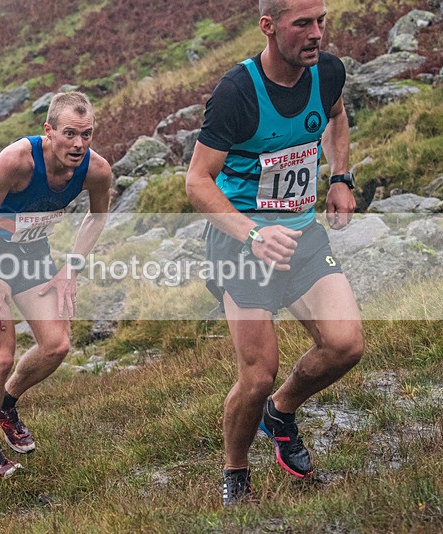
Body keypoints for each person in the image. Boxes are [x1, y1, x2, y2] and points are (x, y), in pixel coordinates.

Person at [185, 0, 364, 506]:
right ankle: (235, 474)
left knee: (345, 345)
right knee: (258, 374)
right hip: (241, 243)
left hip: (303, 235)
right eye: (302, 24)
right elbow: (197, 182)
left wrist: (341, 177)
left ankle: (280, 413)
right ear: (268, 26)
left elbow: (335, 116)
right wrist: (252, 235)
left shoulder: (326, 71)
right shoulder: (237, 92)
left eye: (321, 22)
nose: (316, 34)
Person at [0, 91, 112, 477]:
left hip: (30, 251)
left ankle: (8, 403)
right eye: (69, 134)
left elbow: (96, 217)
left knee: (56, 345)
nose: (79, 144)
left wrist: (71, 268)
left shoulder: (96, 170)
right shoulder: (17, 161)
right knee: (1, 356)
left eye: (87, 134)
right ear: (49, 131)